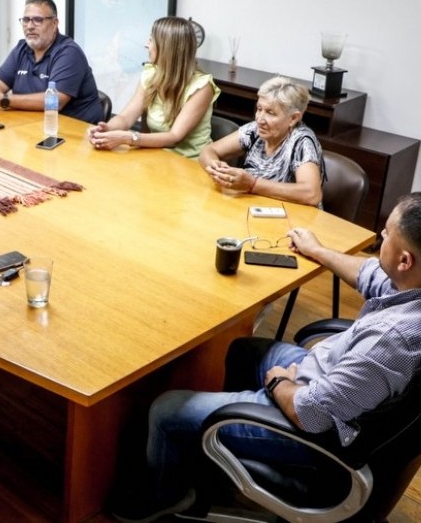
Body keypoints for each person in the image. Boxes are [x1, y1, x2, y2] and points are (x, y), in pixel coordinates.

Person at [109, 192, 421, 522]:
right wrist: (317, 251)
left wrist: (279, 385)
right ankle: (219, 453)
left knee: (166, 410)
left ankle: (167, 497)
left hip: (316, 432)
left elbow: (312, 414)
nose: (381, 237)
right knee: (244, 350)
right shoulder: (411, 286)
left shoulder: (392, 340)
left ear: (404, 261)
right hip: (324, 379)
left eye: (386, 233)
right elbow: (370, 273)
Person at [0, 0, 104, 124]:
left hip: (75, 134)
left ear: (54, 23)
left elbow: (55, 102)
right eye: (26, 20)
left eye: (37, 20)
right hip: (34, 127)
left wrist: (4, 100)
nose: (30, 26)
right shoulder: (22, 49)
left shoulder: (68, 53)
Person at [86, 16, 219, 159]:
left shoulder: (202, 87)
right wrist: (107, 129)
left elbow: (174, 137)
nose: (146, 45)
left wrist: (128, 138)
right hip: (158, 157)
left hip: (191, 164)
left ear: (167, 48)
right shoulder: (151, 74)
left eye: (151, 40)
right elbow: (126, 118)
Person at [199, 76, 323, 207]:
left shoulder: (302, 141)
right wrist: (218, 169)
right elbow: (208, 151)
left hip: (293, 218)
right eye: (259, 109)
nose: (260, 119)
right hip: (255, 207)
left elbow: (311, 194)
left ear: (293, 118)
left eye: (270, 113)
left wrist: (253, 184)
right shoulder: (254, 129)